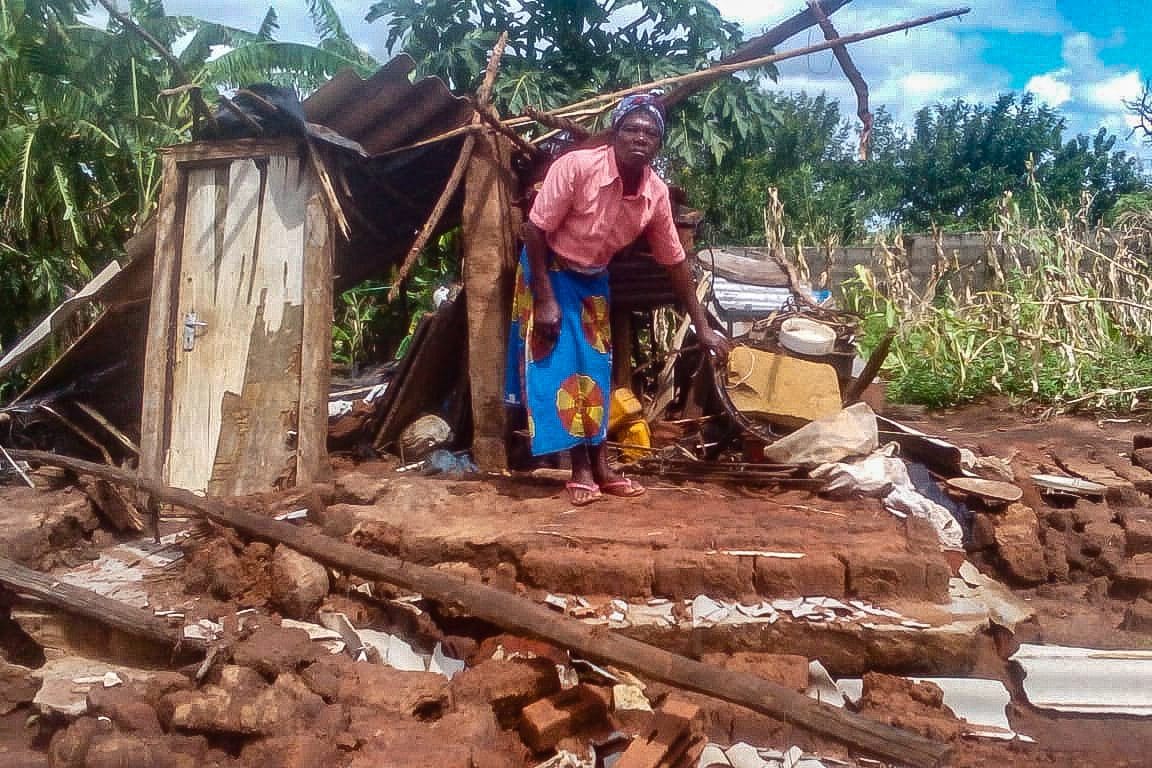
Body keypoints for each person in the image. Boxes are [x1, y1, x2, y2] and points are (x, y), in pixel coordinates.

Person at [506, 94, 730, 506]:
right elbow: (535, 230)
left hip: (593, 278)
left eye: (650, 132)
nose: (639, 137)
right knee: (561, 367)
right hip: (550, 268)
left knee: (595, 368)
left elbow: (675, 261)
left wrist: (702, 325)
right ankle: (580, 470)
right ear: (615, 134)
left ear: (658, 144)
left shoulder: (655, 194)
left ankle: (603, 467)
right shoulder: (577, 168)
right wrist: (545, 299)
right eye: (631, 129)